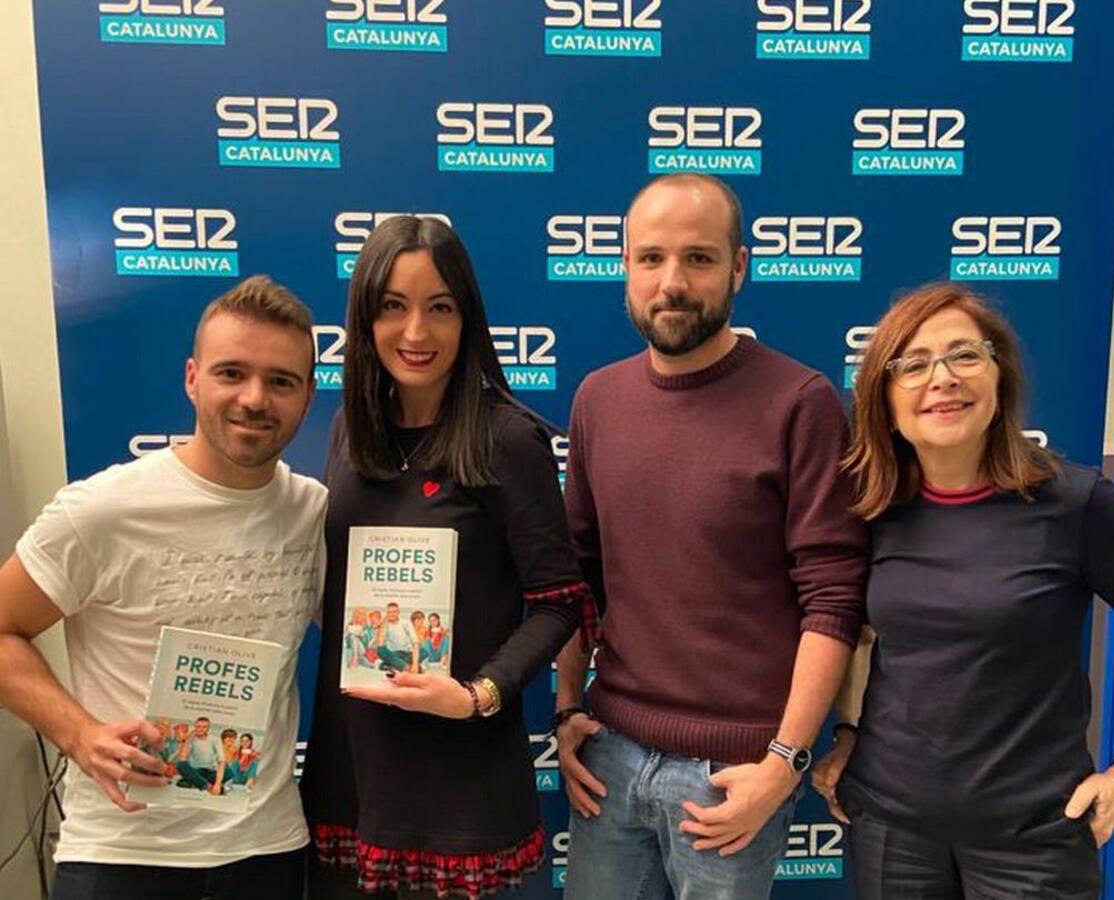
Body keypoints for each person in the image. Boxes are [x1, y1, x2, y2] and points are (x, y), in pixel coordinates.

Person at [810, 282, 1114, 899]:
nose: (942, 378)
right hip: (891, 829)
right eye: (914, 365)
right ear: (884, 400)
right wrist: (848, 733)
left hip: (1034, 838)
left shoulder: (1075, 502)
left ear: (1000, 377)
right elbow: (859, 637)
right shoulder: (873, 507)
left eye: (964, 355)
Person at [553, 173, 868, 900]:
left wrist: (784, 762)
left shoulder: (801, 402)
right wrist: (568, 706)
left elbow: (833, 600)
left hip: (734, 775)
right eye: (651, 258)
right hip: (610, 758)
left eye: (698, 258)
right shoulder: (598, 398)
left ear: (739, 267)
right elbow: (578, 578)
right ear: (625, 266)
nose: (672, 282)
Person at [0, 276, 328, 899]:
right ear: (192, 378)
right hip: (121, 853)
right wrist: (78, 733)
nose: (254, 398)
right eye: (231, 373)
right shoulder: (103, 510)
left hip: (266, 853)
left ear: (308, 396)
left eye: (281, 381)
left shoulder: (313, 513)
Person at [301, 215, 594, 899]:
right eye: (393, 307)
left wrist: (476, 695)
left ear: (467, 318)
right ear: (365, 319)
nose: (416, 332)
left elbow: (559, 605)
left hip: (460, 775)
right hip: (354, 766)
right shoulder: (348, 432)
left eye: (439, 308)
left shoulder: (507, 440)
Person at [175, 716, 228, 794]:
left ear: (208, 728)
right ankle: (208, 787)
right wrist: (188, 739)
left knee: (228, 771)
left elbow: (221, 762)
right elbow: (182, 759)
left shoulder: (215, 740)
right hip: (195, 772)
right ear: (195, 727)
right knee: (180, 765)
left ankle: (196, 784)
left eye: (204, 727)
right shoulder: (191, 739)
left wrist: (217, 783)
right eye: (198, 726)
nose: (201, 729)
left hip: (210, 772)